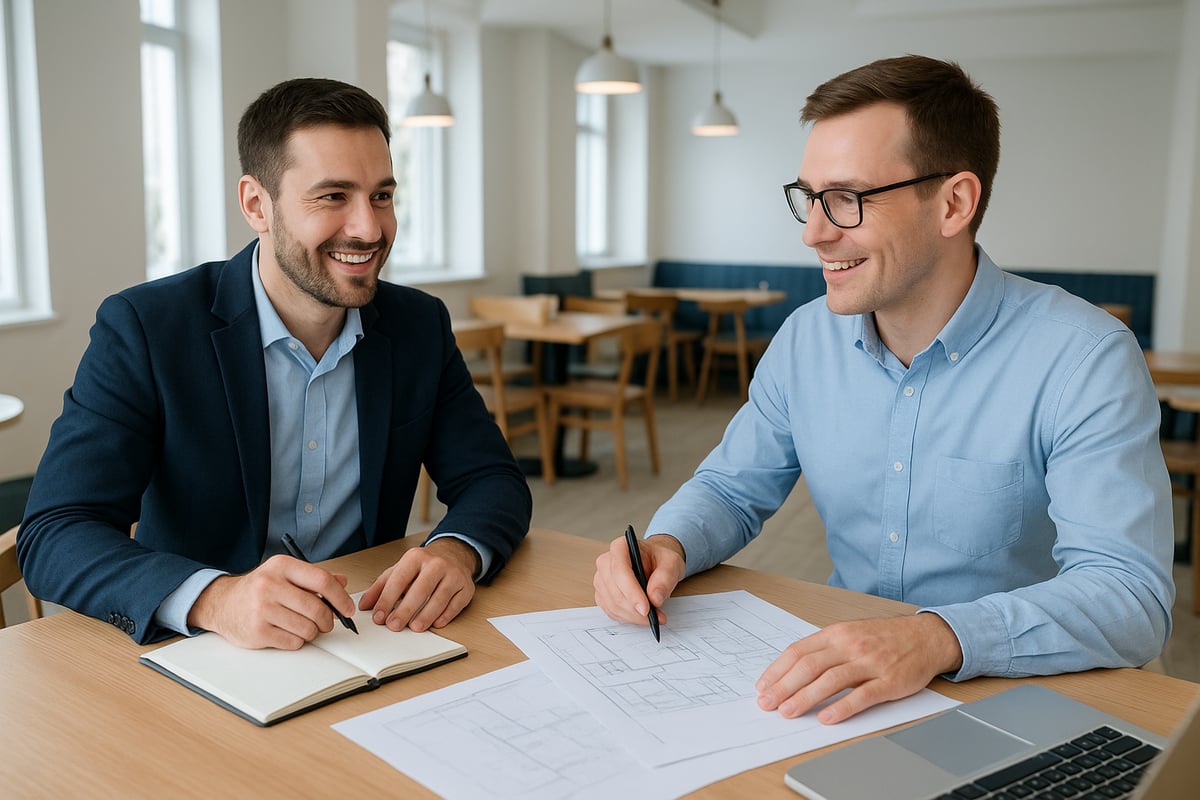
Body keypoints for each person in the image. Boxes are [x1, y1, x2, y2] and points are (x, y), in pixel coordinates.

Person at [594, 55, 1174, 725]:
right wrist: (669, 545)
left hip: (1026, 695)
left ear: (953, 202)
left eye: (848, 199)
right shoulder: (803, 341)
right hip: (851, 687)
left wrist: (935, 638)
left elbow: (1132, 599)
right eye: (809, 198)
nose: (814, 232)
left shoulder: (1084, 357)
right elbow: (730, 488)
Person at [18, 77, 532, 649]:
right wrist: (215, 598)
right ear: (257, 205)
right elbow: (54, 532)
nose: (368, 228)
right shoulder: (146, 327)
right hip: (201, 649)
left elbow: (492, 480)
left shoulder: (419, 326)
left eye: (381, 196)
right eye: (332, 196)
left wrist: (455, 551)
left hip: (368, 638)